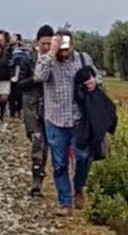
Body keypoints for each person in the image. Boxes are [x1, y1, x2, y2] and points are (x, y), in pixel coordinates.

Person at [34, 29, 100, 216]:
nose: (64, 49)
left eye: (66, 44)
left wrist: (94, 82)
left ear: (73, 44)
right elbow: (39, 77)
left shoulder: (82, 59)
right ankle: (65, 202)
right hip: (55, 119)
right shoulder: (47, 60)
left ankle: (78, 186)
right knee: (60, 164)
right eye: (60, 44)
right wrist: (51, 53)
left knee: (83, 157)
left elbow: (98, 76)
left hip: (78, 118)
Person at [19, 25, 54, 197]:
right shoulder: (28, 59)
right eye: (43, 43)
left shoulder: (56, 61)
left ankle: (38, 181)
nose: (46, 47)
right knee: (36, 140)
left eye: (49, 43)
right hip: (32, 104)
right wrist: (36, 79)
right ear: (37, 42)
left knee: (44, 144)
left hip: (50, 106)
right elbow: (20, 83)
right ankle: (36, 176)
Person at [8, 33, 26, 119]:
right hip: (10, 75)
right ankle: (12, 114)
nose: (12, 39)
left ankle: (19, 112)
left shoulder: (23, 51)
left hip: (21, 76)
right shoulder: (8, 50)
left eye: (14, 38)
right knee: (11, 96)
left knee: (19, 96)